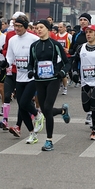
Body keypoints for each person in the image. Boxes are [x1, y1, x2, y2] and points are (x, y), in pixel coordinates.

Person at [27, 19, 71, 151]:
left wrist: (62, 72)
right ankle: (62, 111)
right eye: (36, 28)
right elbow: (31, 63)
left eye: (41, 27)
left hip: (53, 79)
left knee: (47, 107)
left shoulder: (55, 44)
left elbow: (67, 62)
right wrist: (30, 71)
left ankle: (49, 140)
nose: (38, 30)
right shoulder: (34, 46)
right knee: (46, 110)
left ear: (48, 29)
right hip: (39, 80)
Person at [6, 15, 46, 143]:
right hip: (19, 76)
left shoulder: (34, 39)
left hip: (33, 76)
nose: (16, 28)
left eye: (19, 26)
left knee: (24, 102)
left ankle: (38, 114)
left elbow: (41, 56)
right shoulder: (12, 40)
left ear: (25, 27)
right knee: (21, 107)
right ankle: (32, 134)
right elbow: (9, 59)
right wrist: (3, 64)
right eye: (15, 26)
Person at [55, 22, 72, 95]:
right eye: (58, 27)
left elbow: (72, 46)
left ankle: (65, 87)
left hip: (66, 57)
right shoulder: (56, 36)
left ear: (65, 28)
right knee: (57, 72)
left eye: (61, 27)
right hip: (58, 57)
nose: (59, 29)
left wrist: (69, 50)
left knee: (64, 73)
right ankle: (58, 86)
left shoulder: (69, 36)